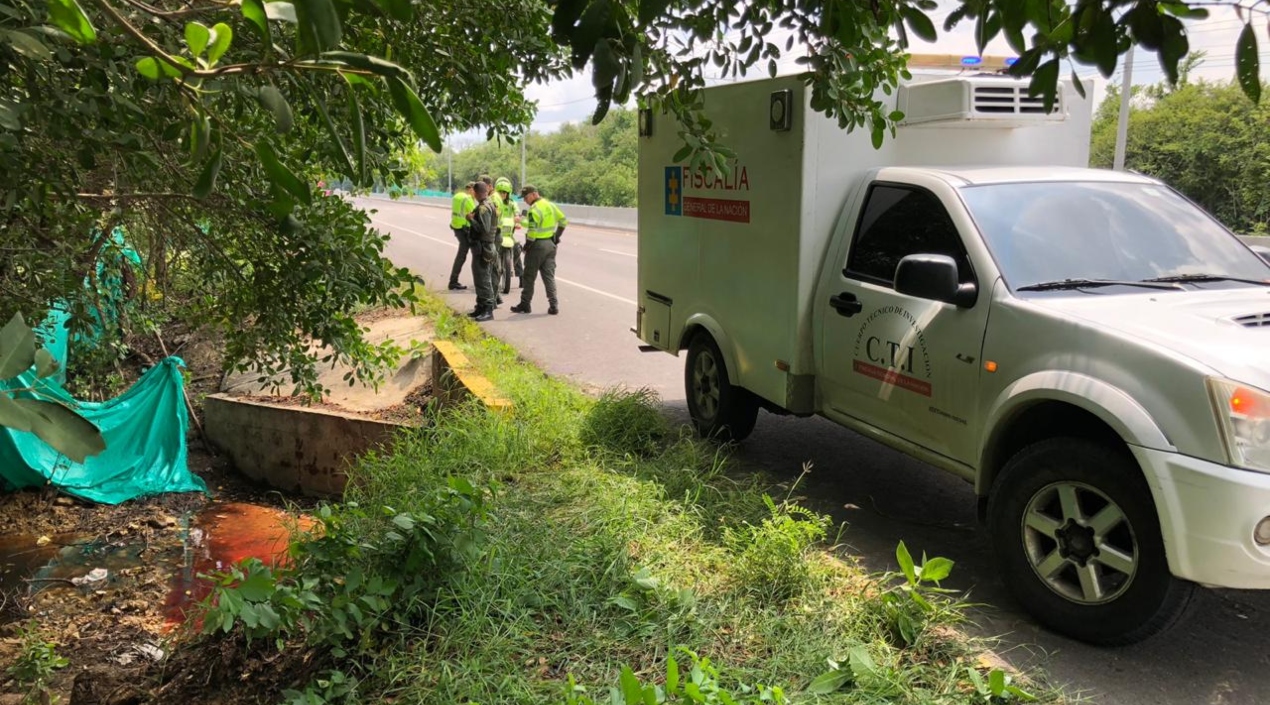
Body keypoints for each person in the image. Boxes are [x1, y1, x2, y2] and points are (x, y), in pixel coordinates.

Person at [511, 185, 568, 316]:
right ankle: (554, 305)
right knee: (549, 277)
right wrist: (556, 237)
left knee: (529, 277)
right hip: (550, 245)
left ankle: (525, 304)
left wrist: (526, 247)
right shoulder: (550, 205)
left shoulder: (534, 210)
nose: (525, 201)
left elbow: (532, 232)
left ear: (534, 194)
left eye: (526, 197)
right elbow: (563, 221)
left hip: (537, 247)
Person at [467, 181, 501, 321]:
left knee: (483, 279)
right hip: (483, 247)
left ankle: (487, 309)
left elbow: (484, 229)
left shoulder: (483, 208)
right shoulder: (487, 204)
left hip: (484, 247)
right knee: (480, 278)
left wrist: (471, 220)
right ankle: (480, 307)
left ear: (475, 192)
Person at [494, 178, 523, 294]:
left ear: (508, 193)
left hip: (509, 233)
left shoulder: (512, 203)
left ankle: (521, 276)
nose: (502, 194)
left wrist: (517, 218)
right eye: (500, 192)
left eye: (504, 192)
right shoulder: (495, 202)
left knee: (517, 249)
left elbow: (517, 211)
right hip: (497, 232)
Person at [447, 182, 476, 290]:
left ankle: (453, 280)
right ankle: (453, 281)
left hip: (456, 227)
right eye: (475, 191)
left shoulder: (457, 196)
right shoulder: (468, 199)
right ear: (471, 189)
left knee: (462, 254)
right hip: (464, 228)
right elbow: (475, 214)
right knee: (464, 255)